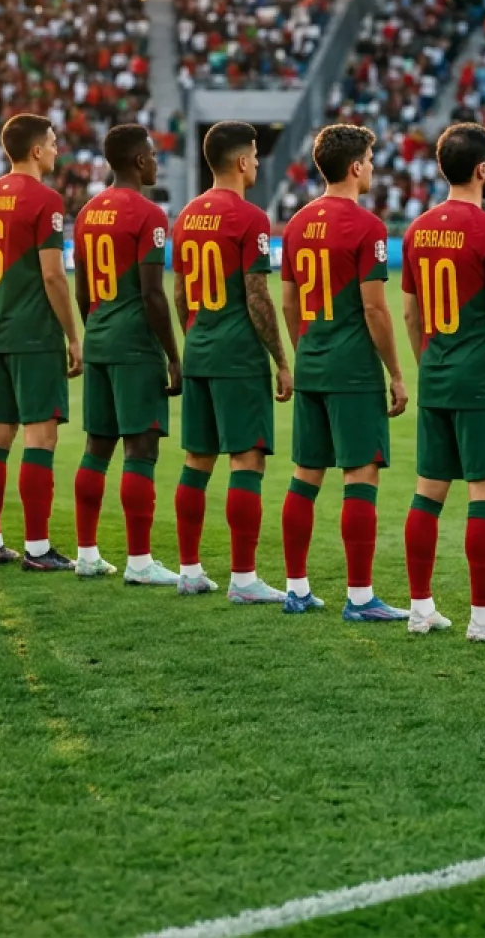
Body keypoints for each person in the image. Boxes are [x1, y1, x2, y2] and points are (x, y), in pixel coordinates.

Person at [398, 122, 485, 642]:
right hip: (480, 378)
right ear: (482, 169)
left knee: (428, 492)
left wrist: (427, 364)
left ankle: (420, 608)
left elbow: (411, 315)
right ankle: (484, 618)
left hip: (436, 372)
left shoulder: (417, 229)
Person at [279, 123, 410, 621]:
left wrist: (304, 351)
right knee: (361, 475)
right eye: (371, 161)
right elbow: (376, 310)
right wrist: (396, 373)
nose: (373, 168)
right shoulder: (367, 226)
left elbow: (289, 303)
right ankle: (359, 597)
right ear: (356, 167)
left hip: (312, 361)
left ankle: (297, 589)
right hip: (353, 369)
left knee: (304, 476)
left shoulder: (295, 224)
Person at [168, 121, 293, 604]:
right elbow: (257, 294)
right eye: (256, 155)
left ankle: (189, 570)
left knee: (196, 460)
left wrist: (194, 336)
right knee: (247, 459)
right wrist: (281, 359)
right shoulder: (250, 218)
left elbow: (179, 292)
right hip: (238, 354)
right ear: (242, 161)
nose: (258, 163)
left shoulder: (186, 216)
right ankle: (243, 578)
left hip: (199, 347)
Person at [70, 123, 184, 584]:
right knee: (141, 448)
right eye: (153, 155)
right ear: (139, 161)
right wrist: (174, 356)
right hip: (134, 343)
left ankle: (87, 553)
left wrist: (94, 327)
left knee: (96, 448)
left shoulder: (86, 213)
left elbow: (81, 291)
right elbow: (153, 294)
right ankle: (139, 561)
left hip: (98, 337)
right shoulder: (148, 215)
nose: (156, 162)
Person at [0, 113, 84, 571]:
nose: (57, 150)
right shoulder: (45, 200)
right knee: (42, 438)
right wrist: (73, 336)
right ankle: (37, 548)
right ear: (36, 150)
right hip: (35, 334)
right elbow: (54, 276)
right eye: (53, 144)